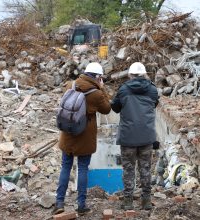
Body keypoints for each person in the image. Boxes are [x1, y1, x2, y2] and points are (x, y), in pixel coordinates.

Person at [53, 62, 111, 215]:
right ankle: (81, 205)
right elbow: (107, 109)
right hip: (85, 135)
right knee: (83, 168)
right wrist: (102, 88)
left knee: (65, 167)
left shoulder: (71, 85)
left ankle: (59, 202)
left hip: (68, 133)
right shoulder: (96, 94)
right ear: (98, 77)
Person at [111, 62, 159, 210]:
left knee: (128, 170)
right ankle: (146, 201)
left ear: (130, 75)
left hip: (128, 138)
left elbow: (115, 107)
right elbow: (154, 104)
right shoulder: (152, 90)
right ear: (145, 74)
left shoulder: (124, 90)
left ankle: (128, 202)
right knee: (145, 169)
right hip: (146, 137)